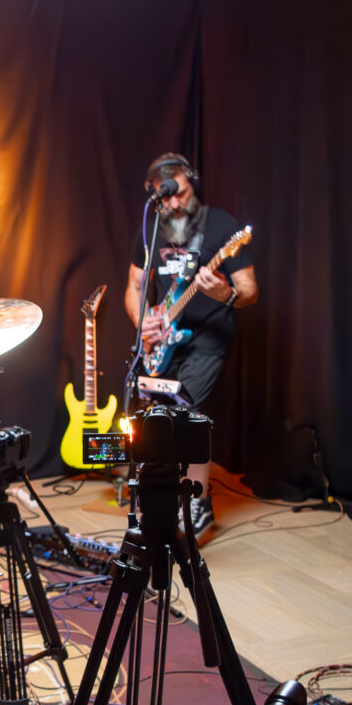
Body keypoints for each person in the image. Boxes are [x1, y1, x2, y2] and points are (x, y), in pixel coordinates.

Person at [124, 152, 258, 539]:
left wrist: (224, 293)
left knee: (188, 411)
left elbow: (250, 290)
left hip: (208, 337)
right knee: (155, 414)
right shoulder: (151, 231)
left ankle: (198, 500)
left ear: (191, 183)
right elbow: (134, 286)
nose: (174, 202)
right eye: (164, 196)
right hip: (163, 339)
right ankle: (162, 496)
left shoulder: (222, 225)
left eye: (180, 192)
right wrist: (144, 323)